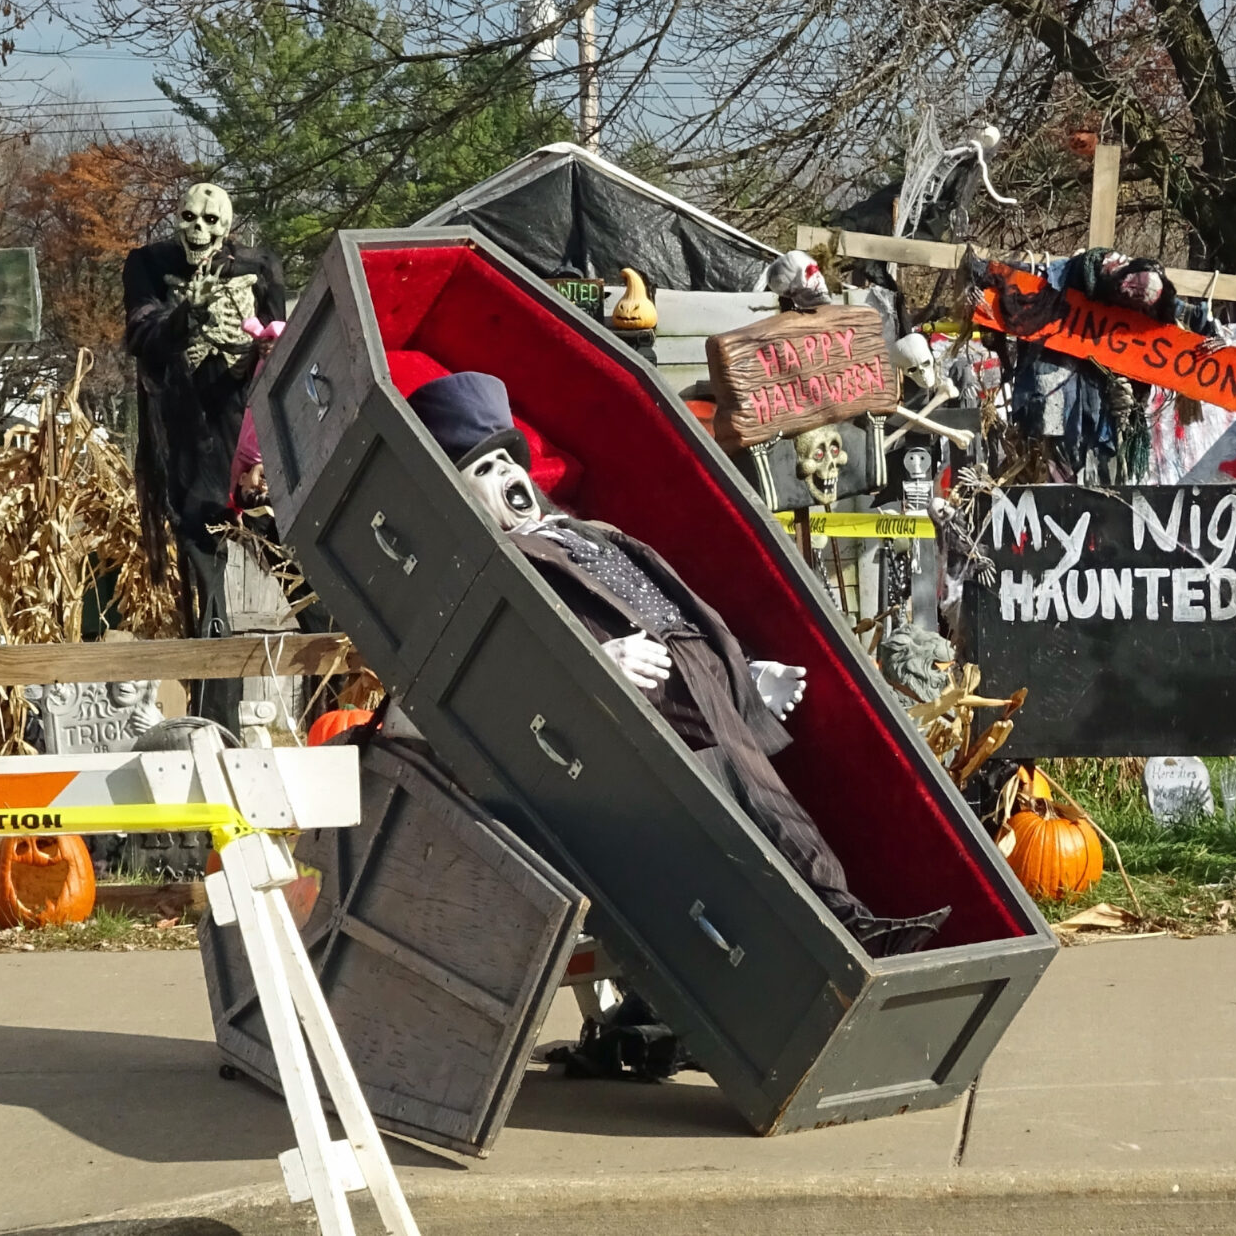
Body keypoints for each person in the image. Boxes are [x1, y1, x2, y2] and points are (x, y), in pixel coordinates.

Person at [407, 371, 949, 956]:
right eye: (482, 472)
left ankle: (846, 925)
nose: (507, 476)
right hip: (645, 701)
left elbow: (675, 597)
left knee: (768, 800)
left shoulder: (583, 531)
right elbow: (512, 668)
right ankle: (836, 938)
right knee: (734, 817)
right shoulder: (504, 570)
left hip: (693, 663)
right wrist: (596, 665)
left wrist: (741, 672)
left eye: (507, 461)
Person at [123, 183, 288, 726]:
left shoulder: (257, 269)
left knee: (292, 563)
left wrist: (264, 448)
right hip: (187, 440)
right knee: (205, 574)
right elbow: (143, 334)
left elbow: (277, 357)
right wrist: (183, 315)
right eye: (189, 219)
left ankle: (334, 705)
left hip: (246, 433)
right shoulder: (150, 265)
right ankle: (217, 717)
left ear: (226, 226)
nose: (197, 230)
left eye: (209, 222)